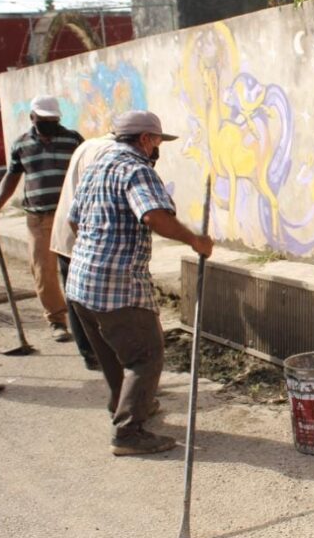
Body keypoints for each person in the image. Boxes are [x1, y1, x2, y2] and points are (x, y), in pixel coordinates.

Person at [66, 110, 213, 456]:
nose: (158, 148)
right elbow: (154, 216)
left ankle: (125, 405)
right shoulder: (136, 169)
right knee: (146, 355)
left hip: (80, 283)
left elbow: (74, 220)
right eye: (157, 141)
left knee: (112, 355)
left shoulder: (97, 165)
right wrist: (196, 241)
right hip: (116, 285)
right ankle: (128, 433)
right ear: (145, 139)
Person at [0, 95, 83, 342]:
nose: (49, 124)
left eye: (53, 120)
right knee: (43, 272)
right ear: (32, 117)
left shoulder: (73, 140)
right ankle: (57, 320)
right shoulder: (21, 145)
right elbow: (12, 176)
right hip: (39, 218)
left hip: (70, 217)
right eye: (44, 120)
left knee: (78, 269)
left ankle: (84, 320)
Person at [50, 132, 116, 371]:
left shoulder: (90, 145)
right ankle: (101, 356)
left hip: (71, 231)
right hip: (83, 234)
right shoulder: (112, 153)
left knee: (76, 296)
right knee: (95, 300)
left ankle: (92, 354)